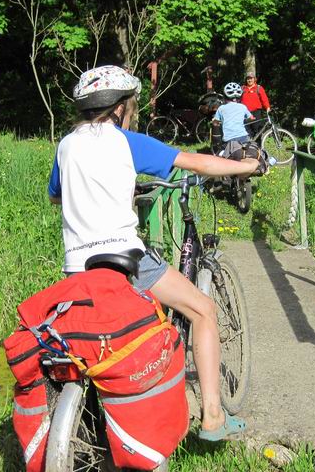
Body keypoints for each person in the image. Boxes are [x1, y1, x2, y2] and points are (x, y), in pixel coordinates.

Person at [47, 65, 256, 441]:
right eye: (131, 106)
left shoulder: (66, 145)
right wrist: (248, 166)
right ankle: (212, 417)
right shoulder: (125, 142)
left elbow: (56, 194)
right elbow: (198, 162)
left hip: (77, 268)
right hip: (127, 260)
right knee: (204, 310)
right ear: (118, 109)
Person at [240, 72, 270, 136]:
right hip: (245, 114)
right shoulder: (242, 88)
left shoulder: (259, 88)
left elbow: (264, 100)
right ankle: (248, 145)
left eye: (251, 78)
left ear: (254, 79)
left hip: (256, 113)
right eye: (248, 78)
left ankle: (258, 145)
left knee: (257, 131)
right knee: (246, 131)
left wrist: (268, 108)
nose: (249, 80)